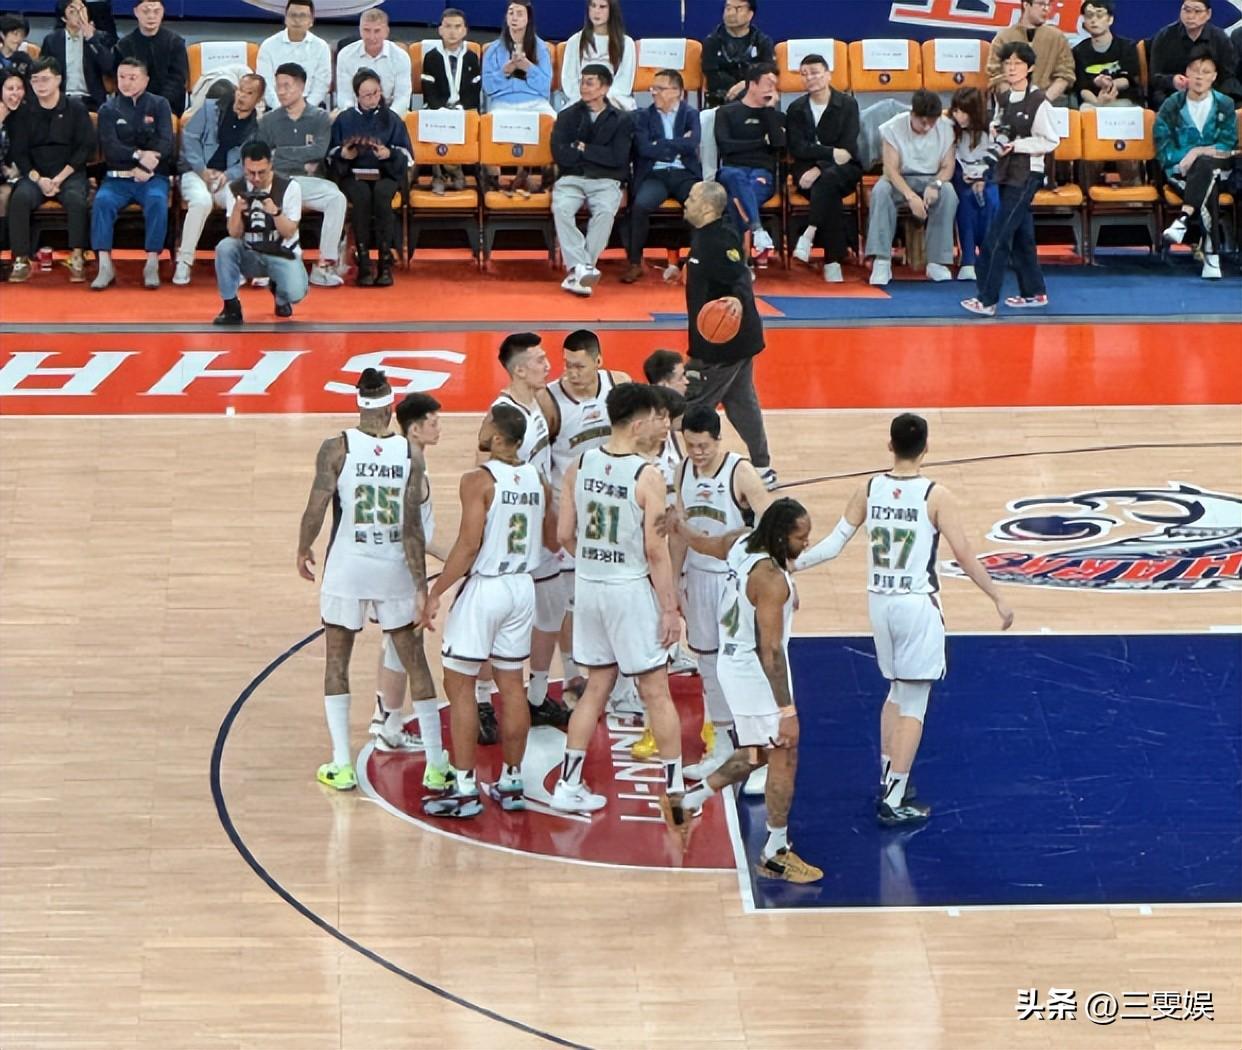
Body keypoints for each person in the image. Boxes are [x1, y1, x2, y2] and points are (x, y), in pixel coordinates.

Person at [794, 413, 1015, 826]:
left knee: (896, 691)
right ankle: (894, 797)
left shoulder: (869, 488)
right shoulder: (936, 495)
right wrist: (997, 596)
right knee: (914, 701)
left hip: (879, 603)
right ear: (926, 448)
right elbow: (964, 554)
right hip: (915, 605)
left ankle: (888, 776)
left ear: (890, 445)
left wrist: (791, 565)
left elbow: (834, 543)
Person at [551, 382, 687, 824]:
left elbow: (564, 535)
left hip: (589, 587)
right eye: (655, 417)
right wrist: (669, 609)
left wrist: (594, 562)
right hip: (628, 589)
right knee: (656, 691)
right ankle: (676, 794)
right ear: (639, 422)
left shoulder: (579, 464)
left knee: (595, 688)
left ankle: (568, 786)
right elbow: (655, 551)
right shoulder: (647, 475)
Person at [295, 368, 432, 791]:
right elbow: (413, 528)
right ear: (391, 408)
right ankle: (438, 764)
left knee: (337, 662)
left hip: (347, 566)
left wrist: (303, 547)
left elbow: (317, 506)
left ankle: (341, 763)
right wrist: (422, 585)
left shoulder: (336, 447)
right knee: (415, 661)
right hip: (392, 568)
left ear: (359, 406)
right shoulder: (410, 454)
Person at [670, 499, 820, 877]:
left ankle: (687, 802)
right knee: (784, 751)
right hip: (753, 671)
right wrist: (787, 711)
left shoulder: (740, 542)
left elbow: (703, 543)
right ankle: (775, 852)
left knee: (759, 751)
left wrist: (680, 525)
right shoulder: (770, 580)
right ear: (781, 536)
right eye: (800, 537)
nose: (806, 543)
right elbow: (771, 651)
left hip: (733, 661)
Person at [419, 404, 556, 817]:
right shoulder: (539, 480)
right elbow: (552, 539)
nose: (478, 428)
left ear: (497, 438)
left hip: (488, 587)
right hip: (522, 587)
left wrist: (436, 592)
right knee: (511, 684)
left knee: (459, 684)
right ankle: (511, 782)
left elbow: (467, 546)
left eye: (485, 424)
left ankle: (464, 789)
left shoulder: (477, 480)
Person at [669, 404, 772, 783]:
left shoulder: (739, 471)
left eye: (704, 446)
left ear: (718, 439)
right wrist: (674, 581)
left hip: (733, 581)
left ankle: (760, 752)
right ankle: (723, 747)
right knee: (709, 665)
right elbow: (679, 533)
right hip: (698, 578)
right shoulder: (682, 470)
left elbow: (771, 526)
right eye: (691, 445)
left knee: (742, 665)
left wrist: (771, 580)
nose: (697, 453)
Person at [485, 332, 573, 739]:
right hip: (513, 534)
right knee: (498, 621)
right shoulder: (500, 415)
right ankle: (483, 702)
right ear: (519, 370)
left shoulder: (538, 401)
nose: (547, 365)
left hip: (540, 525)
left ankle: (537, 696)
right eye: (539, 360)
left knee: (551, 610)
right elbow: (483, 473)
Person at [367, 392, 453, 790]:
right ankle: (391, 727)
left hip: (383, 562)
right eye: (433, 422)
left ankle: (385, 717)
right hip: (400, 567)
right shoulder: (412, 467)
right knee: (405, 646)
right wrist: (457, 557)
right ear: (415, 428)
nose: (439, 427)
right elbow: (416, 535)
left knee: (393, 644)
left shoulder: (397, 457)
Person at [545, 330, 631, 706]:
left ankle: (621, 673)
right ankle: (572, 674)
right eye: (567, 365)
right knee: (570, 602)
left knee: (617, 595)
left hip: (612, 514)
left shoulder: (620, 385)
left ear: (599, 361)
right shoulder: (550, 400)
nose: (571, 373)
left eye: (579, 366)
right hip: (570, 513)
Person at [683, 180, 776, 488]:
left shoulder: (720, 239)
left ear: (707, 207)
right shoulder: (704, 234)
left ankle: (681, 471)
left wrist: (736, 298)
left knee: (694, 407)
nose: (685, 201)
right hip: (732, 341)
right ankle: (763, 467)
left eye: (692, 197)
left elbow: (740, 276)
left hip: (724, 344)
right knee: (741, 402)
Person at [962, 42, 1059, 317]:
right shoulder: (1003, 98)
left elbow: (1051, 140)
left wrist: (1016, 145)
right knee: (1021, 235)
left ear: (1029, 68)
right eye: (1007, 63)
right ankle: (1034, 292)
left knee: (998, 235)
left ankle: (987, 299)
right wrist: (996, 131)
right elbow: (999, 126)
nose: (1012, 68)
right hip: (1005, 172)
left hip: (1027, 173)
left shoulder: (1039, 101)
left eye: (1017, 64)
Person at [258, 62, 346, 288]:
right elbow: (264, 158)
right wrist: (300, 157)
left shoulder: (320, 118)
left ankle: (325, 265)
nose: (281, 92)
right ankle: (266, 265)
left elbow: (319, 152)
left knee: (336, 198)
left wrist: (281, 153)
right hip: (279, 182)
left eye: (286, 86)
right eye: (278, 86)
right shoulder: (268, 120)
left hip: (309, 183)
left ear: (301, 87)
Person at [1155, 47, 1239, 281]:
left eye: (1206, 72)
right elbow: (1162, 144)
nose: (1200, 76)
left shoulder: (1225, 104)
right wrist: (1187, 157)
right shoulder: (1172, 105)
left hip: (1221, 168)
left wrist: (1198, 151)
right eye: (1195, 71)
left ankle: (1183, 219)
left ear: (1214, 76)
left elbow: (1228, 143)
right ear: (1187, 74)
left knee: (1204, 163)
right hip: (1181, 171)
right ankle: (1212, 257)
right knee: (1208, 184)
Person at [7, 59, 93, 284]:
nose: (40, 85)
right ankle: (21, 258)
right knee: (20, 198)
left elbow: (85, 148)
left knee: (76, 199)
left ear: (58, 80)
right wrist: (39, 179)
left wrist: (60, 178)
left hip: (69, 173)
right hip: (36, 174)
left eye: (45, 79)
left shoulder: (75, 108)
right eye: (35, 80)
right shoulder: (24, 111)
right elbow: (19, 153)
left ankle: (77, 255)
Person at [91, 57, 173, 291]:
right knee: (102, 202)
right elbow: (111, 147)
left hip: (152, 177)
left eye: (132, 78)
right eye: (121, 77)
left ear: (145, 80)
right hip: (117, 177)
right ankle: (104, 265)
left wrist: (147, 167)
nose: (126, 83)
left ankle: (152, 262)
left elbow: (165, 142)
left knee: (157, 200)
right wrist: (137, 155)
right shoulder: (108, 109)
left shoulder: (159, 104)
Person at [173, 74, 264, 286]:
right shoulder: (210, 109)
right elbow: (189, 140)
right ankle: (184, 261)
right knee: (201, 201)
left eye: (249, 93)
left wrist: (228, 175)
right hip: (196, 172)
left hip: (226, 178)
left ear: (258, 99)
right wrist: (202, 170)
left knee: (239, 200)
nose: (241, 96)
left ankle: (237, 264)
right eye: (240, 90)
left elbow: (248, 161)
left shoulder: (256, 127)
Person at [550, 63, 632, 296]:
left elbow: (618, 158)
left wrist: (583, 148)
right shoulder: (567, 116)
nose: (583, 87)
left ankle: (579, 270)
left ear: (604, 88)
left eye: (590, 83)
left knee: (605, 212)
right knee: (562, 209)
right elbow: (561, 155)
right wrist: (598, 154)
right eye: (582, 82)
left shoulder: (621, 120)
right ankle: (582, 269)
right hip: (572, 178)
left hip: (606, 180)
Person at [328, 68, 412, 288]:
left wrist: (389, 153)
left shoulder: (391, 118)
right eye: (367, 95)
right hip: (354, 173)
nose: (373, 98)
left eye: (376, 92)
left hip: (385, 172)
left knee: (383, 196)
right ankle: (364, 262)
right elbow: (331, 152)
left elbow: (407, 154)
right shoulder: (345, 119)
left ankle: (385, 262)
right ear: (357, 95)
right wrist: (343, 153)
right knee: (361, 197)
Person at [865, 88, 957, 287]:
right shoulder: (893, 127)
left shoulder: (947, 127)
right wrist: (910, 196)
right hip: (900, 179)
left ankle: (937, 261)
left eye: (932, 122)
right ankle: (882, 260)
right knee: (880, 191)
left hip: (932, 177)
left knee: (948, 193)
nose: (927, 127)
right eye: (923, 122)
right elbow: (890, 170)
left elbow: (948, 166)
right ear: (912, 114)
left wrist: (936, 184)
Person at [212, 139, 309, 324]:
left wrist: (276, 213)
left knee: (296, 293)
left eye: (261, 172)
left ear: (270, 165)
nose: (256, 178)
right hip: (250, 252)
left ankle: (280, 293)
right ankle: (231, 307)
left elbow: (289, 232)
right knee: (224, 247)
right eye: (250, 172)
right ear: (243, 167)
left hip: (281, 252)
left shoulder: (290, 187)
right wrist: (237, 211)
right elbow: (233, 233)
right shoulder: (234, 188)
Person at [787, 52, 862, 283]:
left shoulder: (847, 104)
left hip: (845, 169)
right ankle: (832, 261)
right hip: (806, 171)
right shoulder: (796, 109)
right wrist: (829, 154)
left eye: (815, 73)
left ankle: (809, 233)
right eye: (804, 74)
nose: (810, 78)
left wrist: (819, 166)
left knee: (827, 180)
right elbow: (798, 148)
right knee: (828, 190)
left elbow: (847, 148)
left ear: (828, 75)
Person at [622, 68, 701, 285]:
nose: (653, 93)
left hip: (684, 174)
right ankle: (635, 262)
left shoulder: (690, 114)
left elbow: (692, 144)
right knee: (640, 206)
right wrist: (676, 145)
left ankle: (696, 261)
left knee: (700, 206)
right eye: (653, 88)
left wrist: (662, 144)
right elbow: (644, 149)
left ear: (677, 91)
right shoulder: (642, 116)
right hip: (654, 174)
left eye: (660, 89)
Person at [714, 62, 784, 263]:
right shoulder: (726, 112)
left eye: (775, 86)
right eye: (768, 85)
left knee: (736, 201)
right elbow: (726, 146)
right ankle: (757, 230)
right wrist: (761, 143)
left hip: (762, 173)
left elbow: (779, 144)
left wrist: (770, 112)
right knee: (736, 177)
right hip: (731, 170)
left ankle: (740, 262)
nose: (772, 90)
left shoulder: (775, 116)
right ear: (752, 84)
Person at [421, 8, 482, 195]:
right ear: (440, 30)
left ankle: (450, 171)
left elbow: (474, 92)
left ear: (465, 30)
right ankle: (444, 174)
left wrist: (460, 109)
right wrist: (443, 110)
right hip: (438, 109)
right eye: (448, 26)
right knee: (436, 123)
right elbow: (429, 91)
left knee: (463, 122)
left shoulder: (471, 58)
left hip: (464, 109)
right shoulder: (431, 57)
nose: (452, 32)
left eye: (457, 27)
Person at [1149, 0, 1241, 109]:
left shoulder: (1220, 38)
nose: (1191, 16)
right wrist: (1172, 80)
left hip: (1212, 92)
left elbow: (1228, 74)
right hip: (1174, 93)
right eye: (1186, 10)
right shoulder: (1164, 37)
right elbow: (1155, 77)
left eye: (1197, 11)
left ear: (1208, 14)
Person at [948, 86, 999, 284]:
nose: (958, 116)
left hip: (988, 179)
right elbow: (949, 162)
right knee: (966, 200)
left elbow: (998, 160)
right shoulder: (950, 129)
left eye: (963, 112)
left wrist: (983, 178)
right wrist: (964, 177)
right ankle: (968, 259)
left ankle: (987, 257)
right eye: (956, 110)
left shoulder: (991, 130)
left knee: (991, 199)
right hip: (961, 180)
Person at [986, 0, 1074, 104]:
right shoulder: (1004, 37)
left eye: (1048, 5)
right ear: (1026, 5)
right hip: (1011, 102)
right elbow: (995, 74)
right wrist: (1014, 100)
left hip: (1049, 103)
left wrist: (1044, 101)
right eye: (1041, 4)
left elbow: (1065, 74)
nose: (1046, 9)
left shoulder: (1057, 38)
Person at [113, 0, 187, 118]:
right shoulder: (123, 46)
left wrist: (157, 104)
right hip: (133, 104)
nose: (151, 16)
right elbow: (121, 81)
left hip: (167, 105)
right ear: (136, 12)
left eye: (156, 11)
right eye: (146, 11)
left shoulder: (175, 43)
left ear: (163, 12)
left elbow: (177, 80)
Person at [560, 0, 636, 111]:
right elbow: (569, 79)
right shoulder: (575, 41)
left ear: (612, 10)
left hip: (615, 100)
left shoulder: (627, 43)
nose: (596, 11)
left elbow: (624, 82)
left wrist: (601, 99)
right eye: (593, 6)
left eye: (602, 7)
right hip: (581, 99)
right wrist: (587, 96)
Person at [41, 0, 115, 112]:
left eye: (81, 9)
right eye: (73, 11)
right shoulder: (52, 41)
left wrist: (91, 38)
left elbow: (109, 67)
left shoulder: (100, 37)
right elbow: (43, 70)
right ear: (64, 18)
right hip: (60, 99)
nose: (79, 14)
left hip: (92, 101)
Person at [482, 0, 554, 115]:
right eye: (511, 13)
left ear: (528, 19)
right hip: (502, 103)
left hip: (535, 103)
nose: (514, 18)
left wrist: (528, 67)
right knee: (491, 121)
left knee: (552, 119)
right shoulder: (493, 49)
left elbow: (545, 86)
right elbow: (488, 87)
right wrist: (505, 71)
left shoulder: (541, 48)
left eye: (519, 14)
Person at [257, 0, 331, 111]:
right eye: (293, 15)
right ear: (285, 18)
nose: (297, 20)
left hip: (310, 107)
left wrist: (303, 109)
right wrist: (281, 109)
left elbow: (321, 86)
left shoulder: (321, 47)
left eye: (302, 16)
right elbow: (266, 84)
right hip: (276, 106)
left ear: (311, 21)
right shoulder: (268, 45)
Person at [335, 8, 411, 116]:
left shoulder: (401, 57)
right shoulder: (345, 55)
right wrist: (356, 117)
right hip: (355, 113)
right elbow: (344, 96)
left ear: (386, 32)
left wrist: (388, 119)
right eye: (366, 30)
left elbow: (402, 97)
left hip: (389, 113)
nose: (372, 37)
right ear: (360, 30)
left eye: (377, 31)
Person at [701, 0, 774, 109]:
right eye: (728, 8)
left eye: (738, 9)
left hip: (754, 99)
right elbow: (711, 75)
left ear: (750, 14)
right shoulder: (712, 42)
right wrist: (735, 90)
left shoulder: (762, 42)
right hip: (721, 101)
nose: (731, 13)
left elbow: (768, 72)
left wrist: (746, 84)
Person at [1073, 0, 1142, 108]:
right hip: (1093, 101)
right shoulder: (1078, 51)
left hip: (1122, 99)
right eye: (1089, 16)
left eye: (1099, 15)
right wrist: (1098, 102)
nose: (1093, 20)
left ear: (1110, 19)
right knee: (1085, 109)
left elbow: (1129, 79)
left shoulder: (1127, 47)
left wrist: (1110, 84)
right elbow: (1082, 88)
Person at [0, 70, 23, 279]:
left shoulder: (26, 114)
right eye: (10, 89)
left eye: (19, 88)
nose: (15, 93)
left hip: (18, 176)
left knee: (4, 195)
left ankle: (5, 256)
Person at [0, 14, 33, 80]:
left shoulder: (25, 59)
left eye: (22, 35)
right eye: (15, 34)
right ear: (2, 34)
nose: (19, 39)